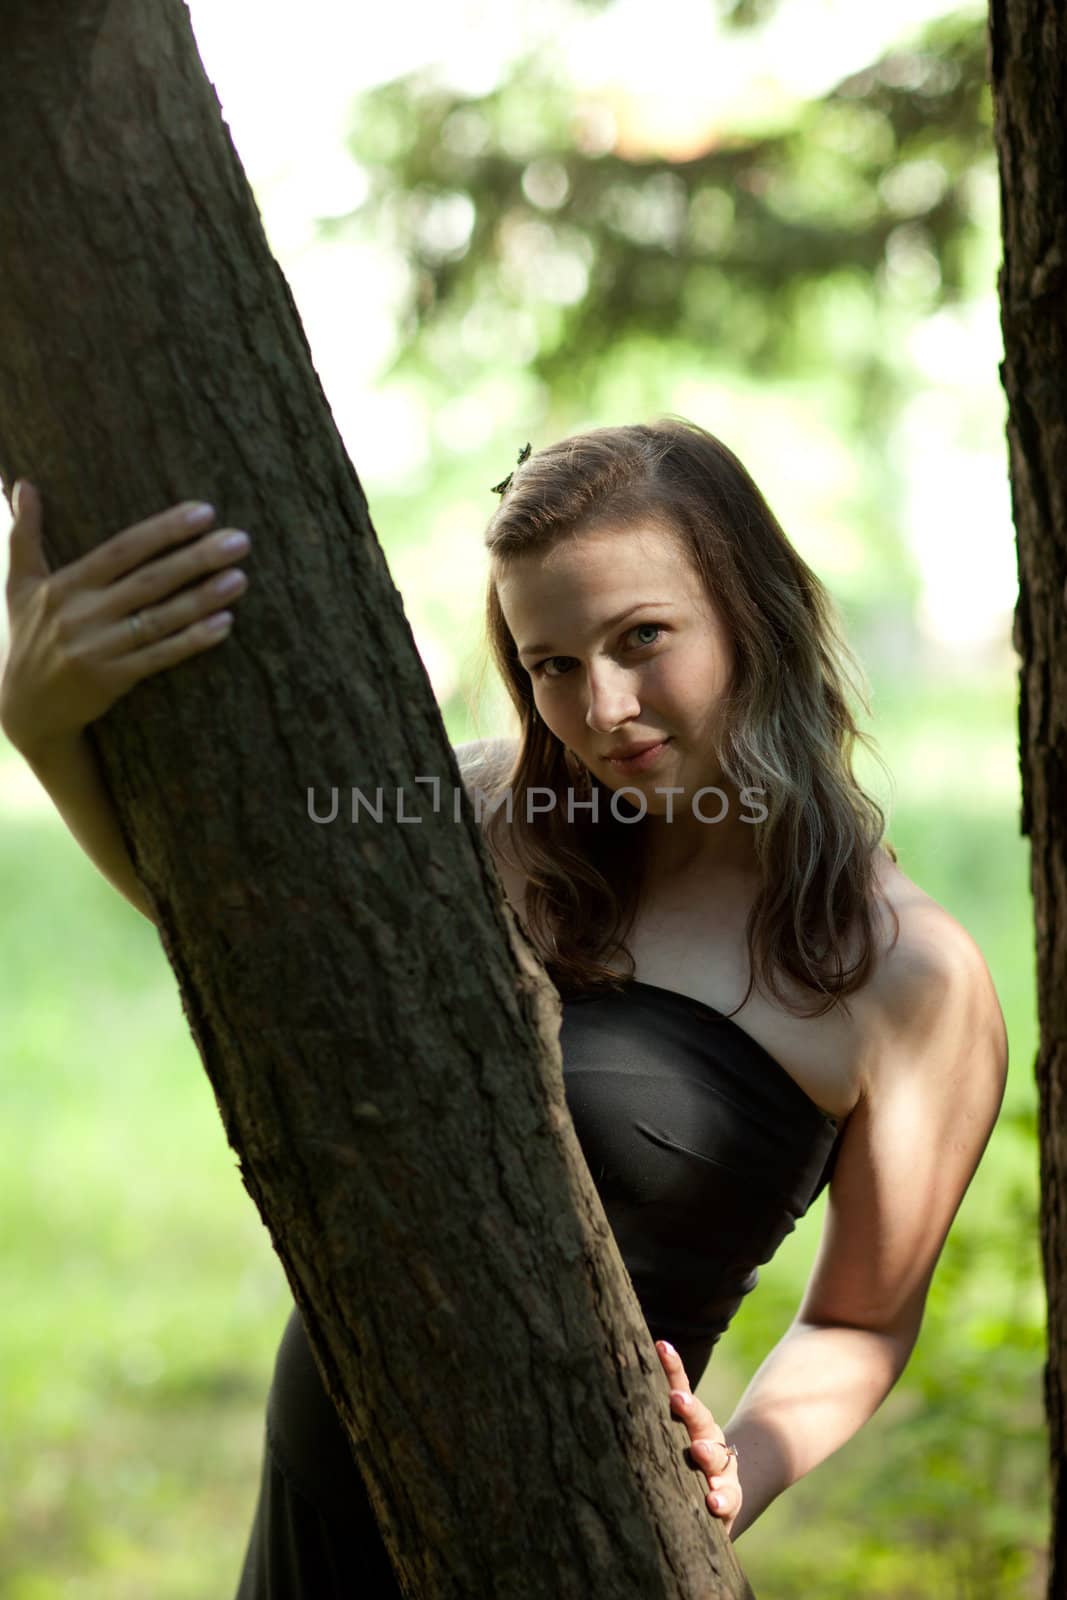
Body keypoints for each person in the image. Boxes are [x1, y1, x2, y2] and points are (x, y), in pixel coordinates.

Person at [1, 417, 1008, 1592]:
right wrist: (45, 734)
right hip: (326, 1476)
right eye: (552, 664)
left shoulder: (906, 974)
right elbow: (239, 943)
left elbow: (859, 1319)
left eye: (643, 638)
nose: (603, 706)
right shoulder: (487, 813)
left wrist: (745, 1461)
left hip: (568, 1531)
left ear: (754, 611)